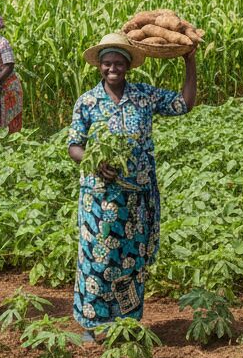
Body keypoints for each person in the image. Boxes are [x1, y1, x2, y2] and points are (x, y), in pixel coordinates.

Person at [67, 31, 197, 339]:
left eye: (119, 63)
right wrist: (94, 163)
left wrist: (190, 62)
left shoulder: (144, 96)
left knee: (131, 261)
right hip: (99, 197)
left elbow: (184, 104)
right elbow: (74, 146)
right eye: (107, 63)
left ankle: (126, 323)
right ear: (99, 66)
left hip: (136, 197)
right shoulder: (87, 102)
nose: (113, 68)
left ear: (129, 66)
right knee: (97, 260)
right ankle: (92, 324)